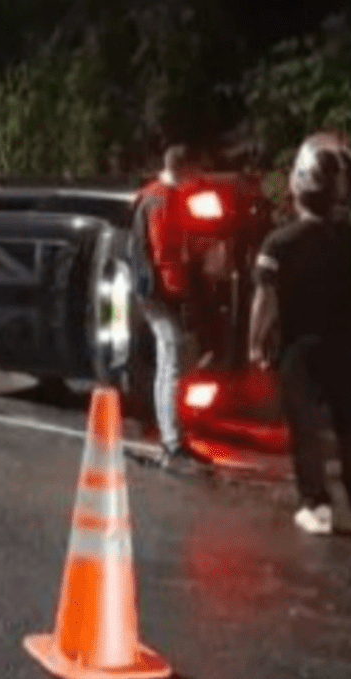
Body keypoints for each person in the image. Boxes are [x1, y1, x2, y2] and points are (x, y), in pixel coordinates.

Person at [247, 130, 351, 536]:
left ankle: (316, 506)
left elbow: (266, 300)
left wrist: (256, 343)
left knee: (306, 429)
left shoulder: (279, 244)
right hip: (349, 348)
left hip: (299, 350)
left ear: (299, 186)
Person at [130, 145, 206, 471]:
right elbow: (165, 256)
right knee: (172, 363)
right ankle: (172, 442)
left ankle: (172, 436)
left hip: (151, 290)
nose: (196, 180)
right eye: (194, 173)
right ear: (183, 168)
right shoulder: (162, 199)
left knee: (170, 362)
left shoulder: (153, 194)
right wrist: (183, 297)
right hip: (160, 292)